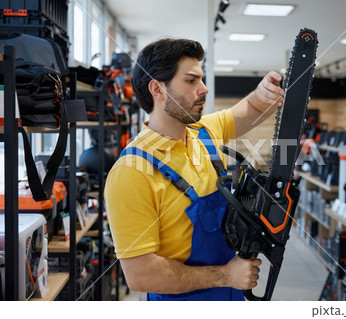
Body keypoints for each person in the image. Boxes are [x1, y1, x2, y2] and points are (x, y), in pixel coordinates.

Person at [105, 38, 285, 301]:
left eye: (201, 79)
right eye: (191, 81)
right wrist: (225, 275)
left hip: (230, 295)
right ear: (157, 89)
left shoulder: (203, 133)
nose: (204, 89)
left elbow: (253, 108)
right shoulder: (132, 172)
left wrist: (264, 93)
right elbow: (140, 274)